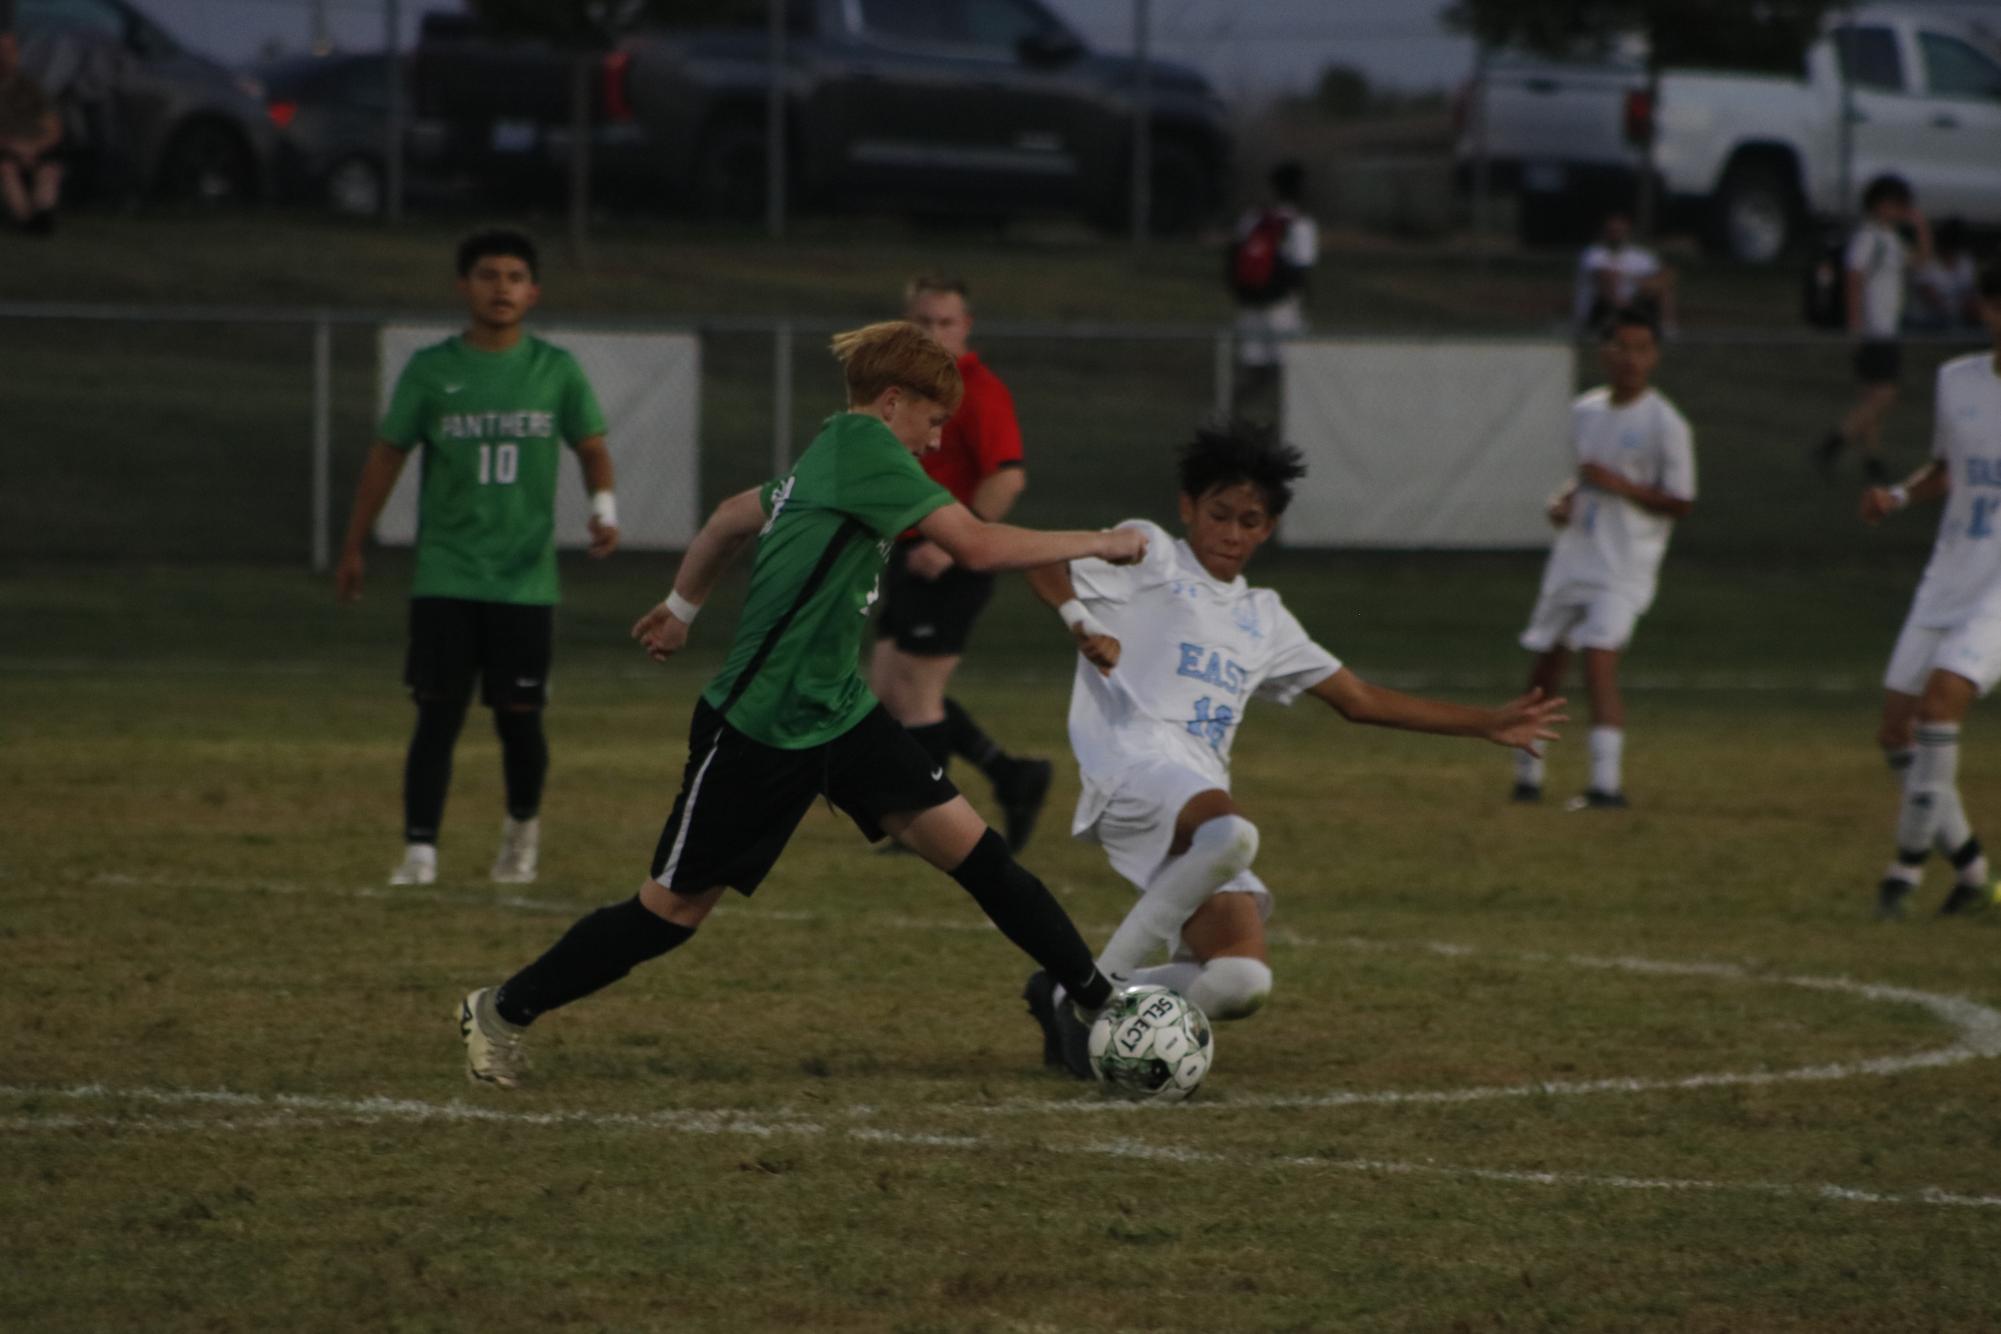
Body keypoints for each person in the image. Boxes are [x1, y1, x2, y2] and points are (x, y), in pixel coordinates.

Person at [455, 321, 1148, 1089]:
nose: (935, 436)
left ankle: (1097, 1003)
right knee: (669, 914)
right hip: (760, 723)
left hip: (839, 713)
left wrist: (681, 611)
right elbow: (977, 547)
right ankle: (500, 1009)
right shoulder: (867, 452)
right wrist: (1101, 542)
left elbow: (726, 515)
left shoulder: (834, 451)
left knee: (977, 855)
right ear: (891, 403)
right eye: (930, 417)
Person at [1019, 419, 1565, 1076]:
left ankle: (1061, 989)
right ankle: (1088, 1008)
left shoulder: (1264, 617)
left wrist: (1483, 724)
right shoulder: (1151, 553)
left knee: (1239, 981)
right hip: (1133, 766)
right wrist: (1079, 621)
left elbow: (1357, 700)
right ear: (1187, 507)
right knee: (1232, 834)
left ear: (1267, 529)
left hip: (1191, 789)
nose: (1231, 532)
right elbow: (1039, 556)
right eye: (1218, 514)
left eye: (1249, 521)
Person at [336, 228, 618, 887]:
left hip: (524, 581)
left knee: (521, 721)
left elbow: (593, 447)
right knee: (437, 714)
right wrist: (354, 543)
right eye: (488, 275)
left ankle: (521, 835)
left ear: (534, 291)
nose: (501, 287)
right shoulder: (433, 370)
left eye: (515, 276)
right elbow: (385, 457)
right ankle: (419, 851)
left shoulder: (555, 369)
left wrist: (602, 509)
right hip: (447, 572)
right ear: (464, 286)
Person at [870, 275, 1052, 850]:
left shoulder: (977, 389)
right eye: (922, 322)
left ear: (965, 327)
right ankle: (1011, 774)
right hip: (908, 552)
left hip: (950, 559)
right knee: (886, 685)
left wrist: (951, 543)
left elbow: (1008, 477)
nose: (933, 332)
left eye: (944, 322)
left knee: (916, 692)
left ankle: (925, 821)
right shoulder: (909, 389)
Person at [1859, 260, 2001, 919]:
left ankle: (1903, 871)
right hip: (1948, 571)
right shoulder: (1957, 380)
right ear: (1986, 309)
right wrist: (1895, 495)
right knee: (1896, 730)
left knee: (1940, 704)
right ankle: (1971, 870)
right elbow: (1947, 469)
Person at [1511, 307, 1695, 810]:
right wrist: (1564, 499)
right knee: (1546, 662)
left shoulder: (1665, 423)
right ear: (1604, 352)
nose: (1631, 359)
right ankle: (1527, 774)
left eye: (1642, 348)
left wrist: (1622, 486)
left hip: (1626, 562)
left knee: (1599, 660)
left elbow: (1680, 501)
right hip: (1576, 554)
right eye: (1622, 347)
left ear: (1654, 356)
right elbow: (1585, 478)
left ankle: (1605, 785)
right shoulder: (1586, 410)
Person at [1815, 174, 1932, 482]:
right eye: (1896, 205)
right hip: (1874, 329)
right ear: (1881, 205)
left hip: (1888, 327)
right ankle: (1835, 441)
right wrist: (1856, 326)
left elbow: (1921, 261)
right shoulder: (1868, 237)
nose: (1900, 211)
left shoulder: (1892, 240)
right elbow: (1854, 279)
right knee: (1886, 395)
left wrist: (1921, 227)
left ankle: (1872, 459)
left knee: (1871, 397)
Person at [1228, 160, 1317, 416]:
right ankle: (1282, 433)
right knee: (1288, 373)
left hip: (1250, 305)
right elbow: (1302, 269)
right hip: (1282, 307)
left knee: (1253, 371)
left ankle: (1224, 420)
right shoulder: (1301, 225)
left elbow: (1235, 258)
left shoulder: (1252, 218)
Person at [1572, 209, 1676, 336]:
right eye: (1612, 231)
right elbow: (1604, 277)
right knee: (1609, 282)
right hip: (1602, 307)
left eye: (1619, 231)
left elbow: (1664, 277)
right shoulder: (1593, 254)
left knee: (1662, 288)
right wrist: (1636, 280)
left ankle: (1667, 329)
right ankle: (1611, 323)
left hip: (1636, 302)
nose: (1616, 234)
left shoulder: (1642, 256)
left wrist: (1635, 283)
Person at [0, 30, 62, 235]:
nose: (5, 56)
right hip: (7, 150)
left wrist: (33, 147)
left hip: (32, 148)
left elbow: (53, 127)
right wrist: (14, 147)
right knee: (7, 169)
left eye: (9, 51)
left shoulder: (30, 88)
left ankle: (41, 215)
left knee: (49, 170)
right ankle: (26, 219)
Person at [1909, 218, 1980, 332]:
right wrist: (1957, 309)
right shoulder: (1926, 263)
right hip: (1925, 323)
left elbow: (1972, 294)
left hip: (1960, 321)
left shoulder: (1966, 262)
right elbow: (1931, 298)